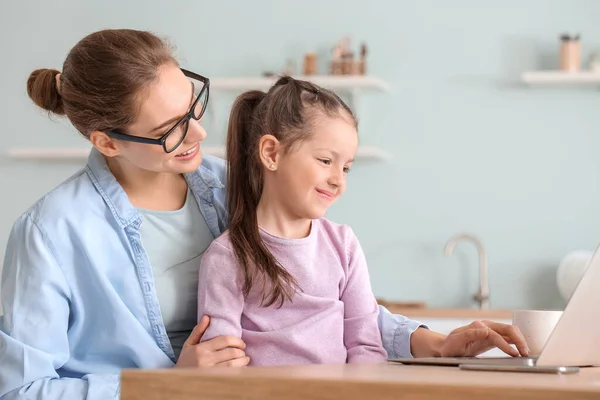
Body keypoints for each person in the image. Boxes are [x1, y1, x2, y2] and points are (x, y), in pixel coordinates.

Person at [0, 29, 528, 400]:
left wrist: (432, 343)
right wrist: (166, 382)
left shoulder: (226, 185)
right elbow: (21, 389)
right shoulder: (51, 234)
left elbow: (312, 304)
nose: (200, 135)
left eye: (195, 107)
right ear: (106, 142)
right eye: (171, 130)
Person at [197, 77, 387, 365]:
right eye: (325, 161)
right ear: (271, 153)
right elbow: (221, 360)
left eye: (346, 167)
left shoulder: (343, 245)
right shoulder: (228, 255)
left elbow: (366, 345)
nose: (338, 180)